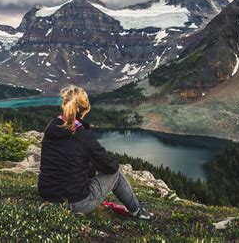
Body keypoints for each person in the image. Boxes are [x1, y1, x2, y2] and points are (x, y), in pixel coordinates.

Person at [38, 85, 156, 221]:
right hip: (75, 204)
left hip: (47, 195)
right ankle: (137, 211)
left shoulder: (52, 126)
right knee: (116, 174)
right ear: (85, 109)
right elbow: (110, 167)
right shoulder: (83, 135)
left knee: (85, 164)